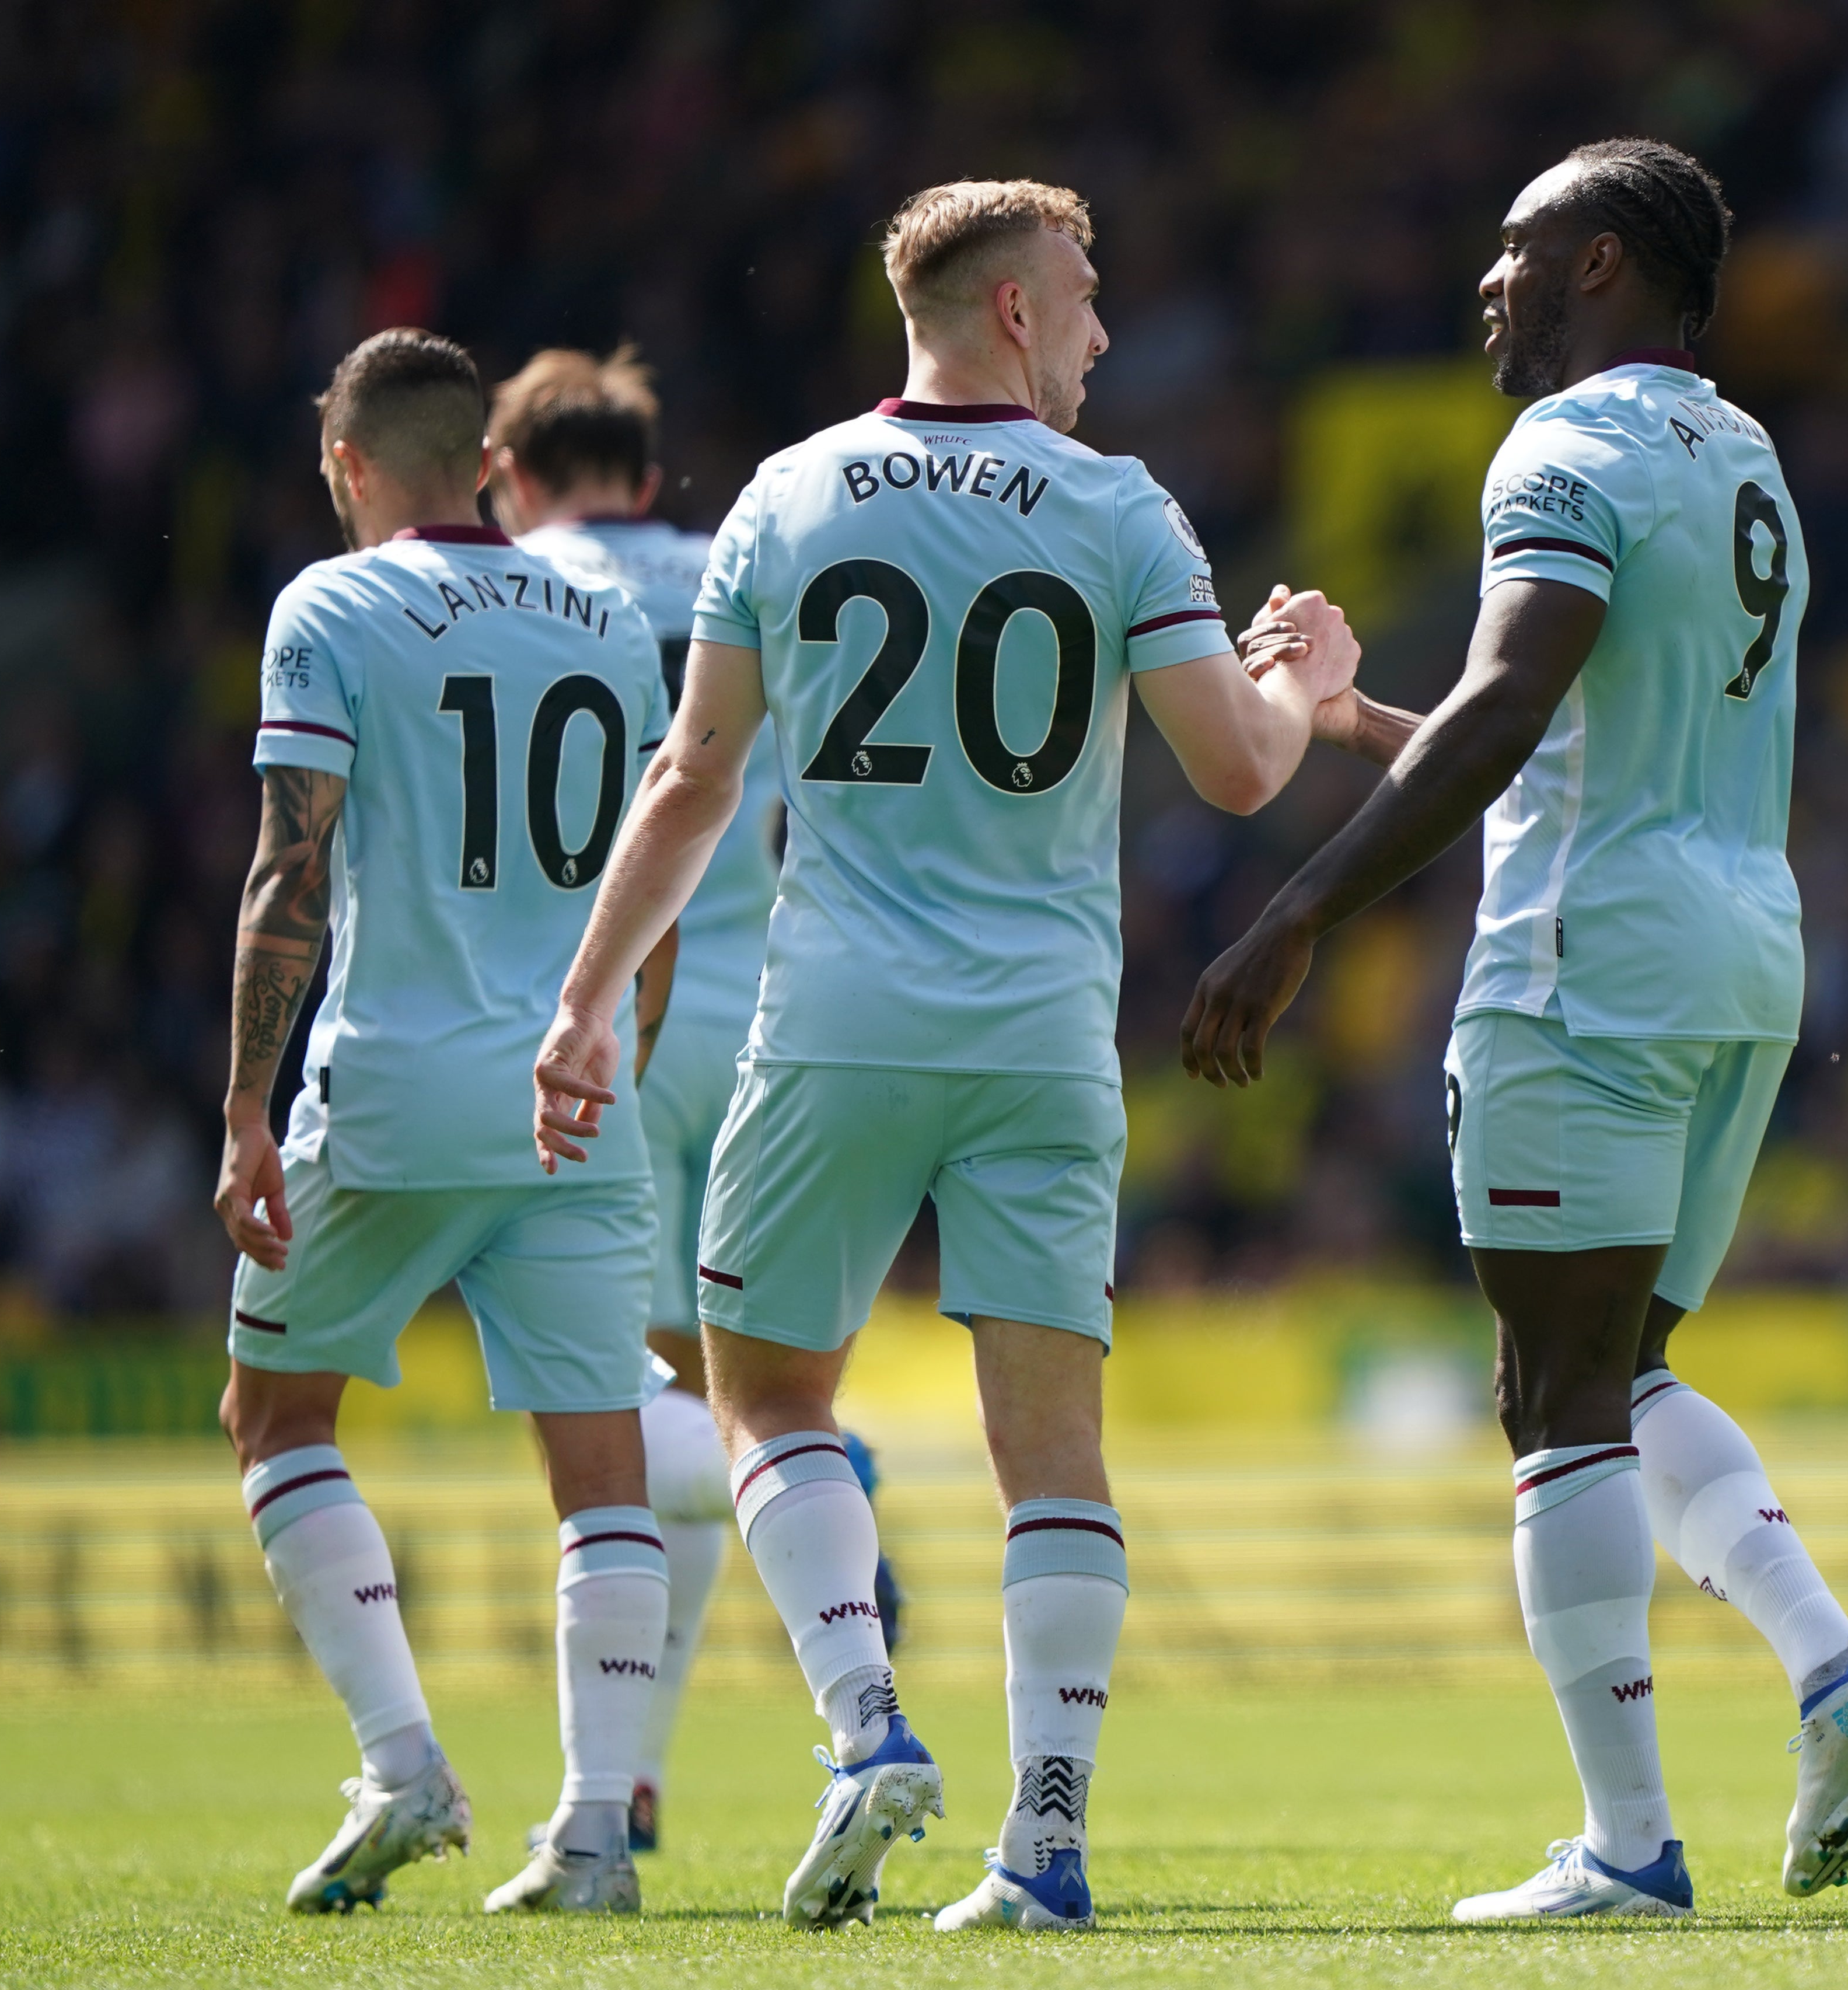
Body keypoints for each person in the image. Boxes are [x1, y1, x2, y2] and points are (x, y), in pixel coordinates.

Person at [529, 178, 1372, 1935]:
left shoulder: (790, 491)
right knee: (1049, 1456)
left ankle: (863, 1731)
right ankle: (1043, 1841)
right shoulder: (1116, 507)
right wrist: (1306, 673)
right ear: (1007, 311)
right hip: (1043, 1038)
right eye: (1081, 292)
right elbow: (1236, 768)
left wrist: (588, 995)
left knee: (764, 1395)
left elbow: (689, 782)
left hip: (834, 1018)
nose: (1101, 329)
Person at [1178, 138, 1848, 1922]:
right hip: (1739, 950)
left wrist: (1296, 912)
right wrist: (1363, 719)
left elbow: (1518, 702)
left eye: (1517, 251)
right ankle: (1828, 1661)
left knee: (1548, 1396)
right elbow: (1577, 718)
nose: (1486, 282)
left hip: (1584, 959)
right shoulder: (1740, 455)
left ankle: (1625, 1843)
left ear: (1601, 263)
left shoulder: (1566, 443)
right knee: (1622, 1363)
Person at [211, 328, 676, 1914]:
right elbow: (657, 869)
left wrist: (242, 1110)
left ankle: (403, 1762)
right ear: (486, 457)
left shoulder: (330, 606)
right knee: (602, 1476)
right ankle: (599, 1832)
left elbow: (290, 871)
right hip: (578, 1096)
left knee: (276, 1418)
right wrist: (625, 1056)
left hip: (401, 1087)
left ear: (348, 467)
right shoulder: (610, 615)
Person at [489, 345, 903, 1855]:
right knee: (730, 1394)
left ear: (510, 477)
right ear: (649, 474)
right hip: (755, 1006)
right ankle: (645, 1764)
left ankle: (611, 1780)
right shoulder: (751, 561)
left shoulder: (503, 589)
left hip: (585, 1011)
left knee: (605, 1420)